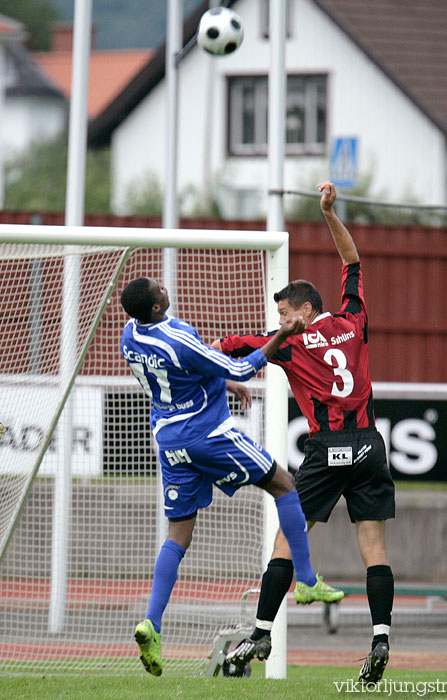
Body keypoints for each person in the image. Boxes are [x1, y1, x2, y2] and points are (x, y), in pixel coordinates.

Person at [214, 182, 395, 685]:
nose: (279, 322)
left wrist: (215, 365)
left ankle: (262, 631)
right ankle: (380, 636)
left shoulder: (290, 342)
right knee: (374, 547)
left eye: (284, 314)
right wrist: (330, 213)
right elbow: (352, 262)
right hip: (370, 447)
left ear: (303, 312)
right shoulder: (353, 320)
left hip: (325, 449)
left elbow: (229, 346)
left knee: (285, 542)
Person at [119, 276, 344, 677]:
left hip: (169, 441)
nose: (164, 287)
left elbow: (177, 375)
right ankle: (307, 579)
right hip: (207, 435)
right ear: (155, 307)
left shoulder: (129, 335)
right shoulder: (178, 335)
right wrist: (282, 336)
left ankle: (151, 623)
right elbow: (243, 364)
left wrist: (222, 383)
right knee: (284, 485)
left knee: (178, 534)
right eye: (159, 289)